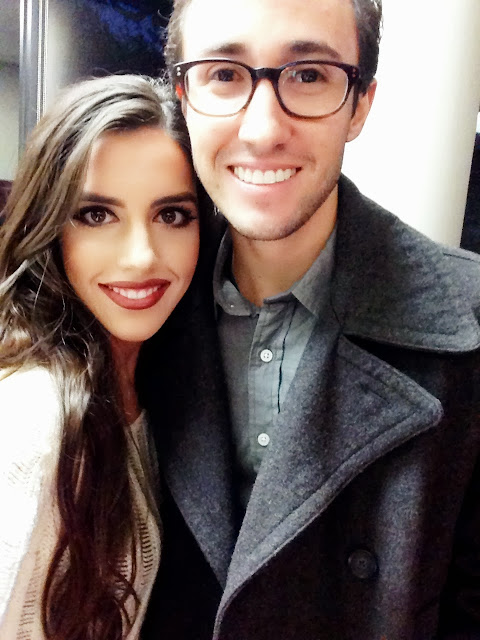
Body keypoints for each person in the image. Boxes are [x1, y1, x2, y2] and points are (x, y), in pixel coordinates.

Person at [140, 0, 480, 639]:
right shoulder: (132, 308)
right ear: (183, 97)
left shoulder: (471, 328)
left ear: (362, 105)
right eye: (224, 74)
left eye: (309, 75)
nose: (263, 130)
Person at [0, 74, 200, 639]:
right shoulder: (33, 417)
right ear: (48, 226)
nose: (140, 257)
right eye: (95, 215)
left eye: (171, 215)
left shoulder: (157, 386)